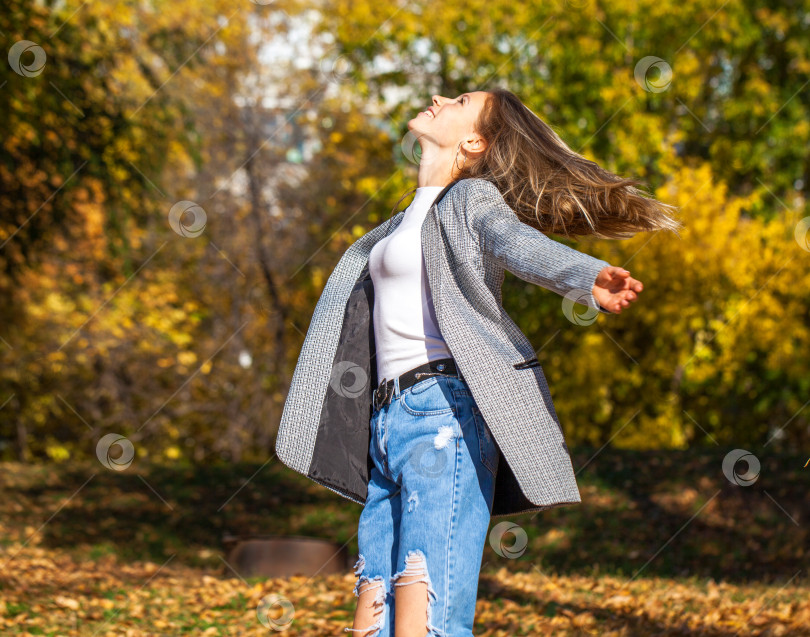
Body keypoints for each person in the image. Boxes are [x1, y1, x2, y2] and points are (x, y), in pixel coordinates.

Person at [274, 88, 682, 637]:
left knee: (429, 621)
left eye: (461, 99)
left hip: (442, 420)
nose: (440, 96)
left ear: (473, 141)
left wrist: (584, 277)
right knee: (372, 620)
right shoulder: (397, 224)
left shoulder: (472, 201)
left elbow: (517, 244)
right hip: (384, 425)